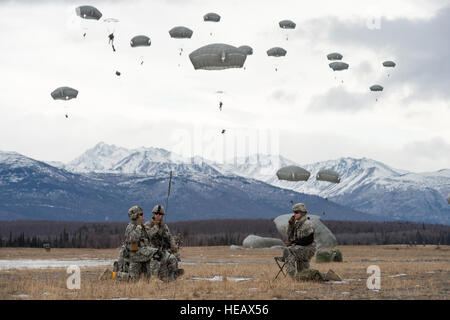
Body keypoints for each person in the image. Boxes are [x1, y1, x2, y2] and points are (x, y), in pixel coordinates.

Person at [277, 203, 342, 282]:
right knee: (304, 275)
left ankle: (292, 278)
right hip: (299, 249)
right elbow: (290, 237)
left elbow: (308, 240)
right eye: (294, 212)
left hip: (307, 249)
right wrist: (290, 225)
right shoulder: (296, 224)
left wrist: (293, 243)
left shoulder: (307, 224)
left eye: (296, 212)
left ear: (301, 213)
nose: (294, 214)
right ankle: (328, 276)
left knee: (287, 251)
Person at [144, 205, 184, 282]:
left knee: (173, 259)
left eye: (160, 214)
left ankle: (171, 279)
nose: (158, 215)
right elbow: (147, 235)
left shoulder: (164, 226)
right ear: (153, 214)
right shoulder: (148, 224)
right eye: (156, 214)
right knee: (156, 264)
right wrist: (156, 227)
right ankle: (155, 279)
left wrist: (174, 250)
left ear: (162, 215)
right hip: (151, 251)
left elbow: (170, 238)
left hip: (162, 250)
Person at [121, 205, 160, 281]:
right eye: (141, 214)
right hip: (134, 255)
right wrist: (139, 227)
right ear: (136, 216)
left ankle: (150, 278)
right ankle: (112, 275)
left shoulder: (141, 226)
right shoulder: (131, 227)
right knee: (155, 253)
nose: (143, 216)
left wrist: (156, 226)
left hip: (141, 254)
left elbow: (148, 236)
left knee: (135, 279)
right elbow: (133, 239)